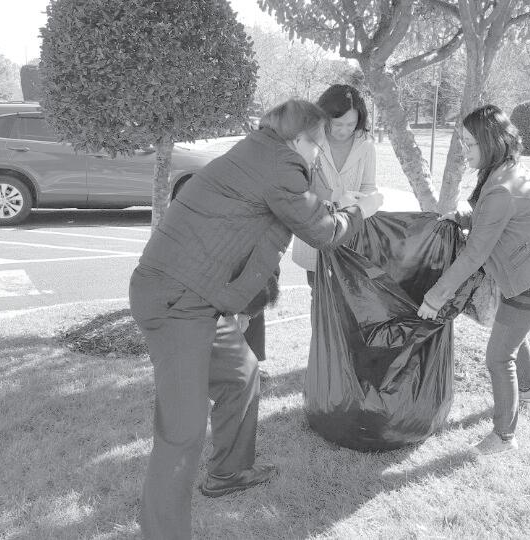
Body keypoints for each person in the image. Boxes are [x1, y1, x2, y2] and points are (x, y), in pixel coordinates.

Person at [129, 99, 384, 539]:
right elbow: (322, 232)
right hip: (179, 301)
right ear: (298, 139)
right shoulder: (282, 162)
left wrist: (335, 199)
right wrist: (363, 210)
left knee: (242, 375)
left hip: (199, 298)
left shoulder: (260, 152)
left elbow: (292, 204)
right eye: (316, 145)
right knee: (181, 432)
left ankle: (229, 472)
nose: (318, 155)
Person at [416, 104, 530, 456]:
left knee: (498, 357)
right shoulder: (503, 171)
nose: (464, 151)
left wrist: (434, 299)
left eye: (469, 144)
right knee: (512, 329)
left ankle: (504, 437)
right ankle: (528, 390)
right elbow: (486, 213)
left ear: (490, 142)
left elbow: (474, 255)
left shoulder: (501, 186)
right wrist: (463, 215)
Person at [292, 84, 378, 287]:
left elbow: (369, 185)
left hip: (351, 239)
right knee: (320, 300)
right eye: (337, 124)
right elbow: (297, 192)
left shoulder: (366, 144)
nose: (344, 130)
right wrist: (336, 203)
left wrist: (367, 200)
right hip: (316, 236)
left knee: (350, 304)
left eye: (351, 124)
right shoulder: (308, 141)